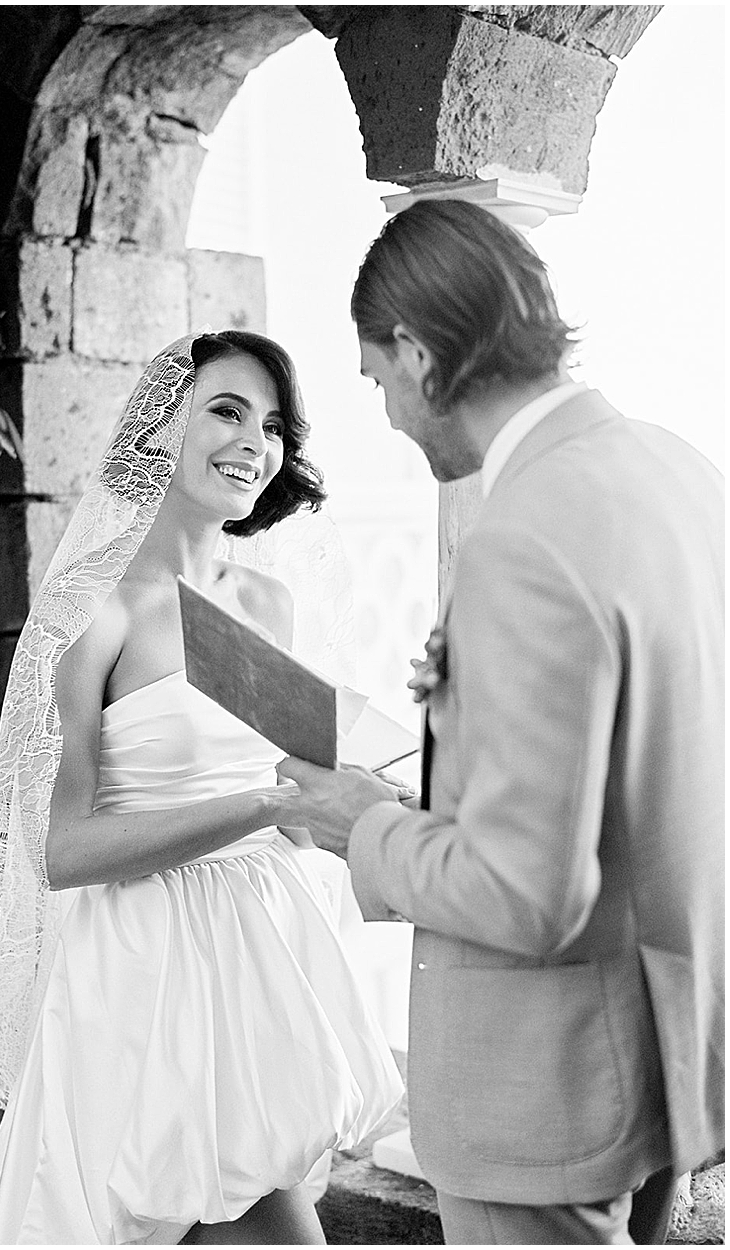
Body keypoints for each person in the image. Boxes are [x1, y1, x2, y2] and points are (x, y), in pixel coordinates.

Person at [278, 199, 724, 1245]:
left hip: (547, 1087)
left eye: (376, 380)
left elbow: (528, 894)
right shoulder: (678, 472)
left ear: (420, 352)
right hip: (665, 1046)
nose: (384, 413)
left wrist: (362, 822)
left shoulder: (521, 535)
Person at [0, 328, 403, 1246]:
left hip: (258, 960)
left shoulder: (267, 606)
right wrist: (266, 806)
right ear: (161, 425)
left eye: (273, 426)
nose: (254, 443)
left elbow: (312, 806)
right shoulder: (97, 609)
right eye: (226, 411)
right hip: (144, 969)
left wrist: (401, 837)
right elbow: (63, 850)